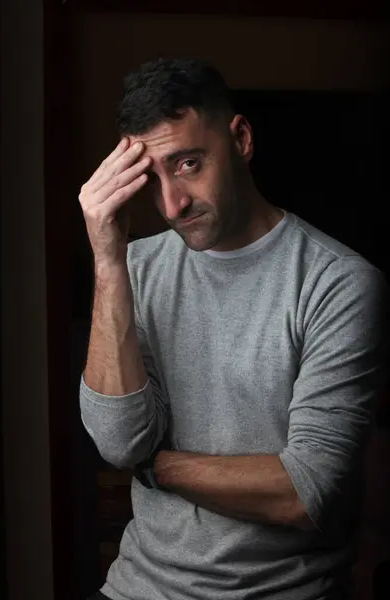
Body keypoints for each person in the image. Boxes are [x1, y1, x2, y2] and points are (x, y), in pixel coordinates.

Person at [79, 57, 389, 600]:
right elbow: (118, 440)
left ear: (240, 139)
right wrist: (108, 257)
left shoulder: (338, 283)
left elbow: (305, 492)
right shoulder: (135, 269)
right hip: (139, 587)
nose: (171, 205)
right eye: (150, 178)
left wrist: (157, 466)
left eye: (188, 163)